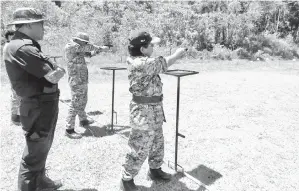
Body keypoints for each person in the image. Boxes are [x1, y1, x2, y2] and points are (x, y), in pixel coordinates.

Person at [4, 7, 66, 191]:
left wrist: (56, 68)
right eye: (41, 23)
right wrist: (57, 68)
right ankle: (31, 186)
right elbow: (54, 74)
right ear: (30, 24)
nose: (43, 27)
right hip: (38, 106)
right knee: (34, 154)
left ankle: (40, 182)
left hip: (40, 104)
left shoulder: (21, 44)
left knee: (41, 149)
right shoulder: (24, 47)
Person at [120, 31, 186, 191]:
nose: (153, 48)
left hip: (153, 109)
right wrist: (178, 54)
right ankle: (126, 178)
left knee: (157, 141)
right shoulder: (141, 63)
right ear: (142, 49)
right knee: (139, 146)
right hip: (143, 112)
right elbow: (164, 62)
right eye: (151, 45)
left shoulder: (142, 60)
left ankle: (155, 169)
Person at [64, 32, 109, 139]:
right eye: (84, 42)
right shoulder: (71, 46)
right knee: (75, 102)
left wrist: (100, 51)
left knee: (83, 99)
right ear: (77, 40)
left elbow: (89, 54)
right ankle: (69, 129)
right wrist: (101, 48)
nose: (85, 44)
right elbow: (88, 48)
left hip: (82, 79)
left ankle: (83, 120)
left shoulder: (79, 48)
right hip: (76, 79)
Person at [3, 29, 22, 125]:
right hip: (14, 74)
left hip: (15, 73)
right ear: (8, 37)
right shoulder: (9, 46)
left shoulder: (10, 46)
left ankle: (17, 116)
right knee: (15, 96)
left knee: (18, 95)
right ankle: (14, 118)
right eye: (12, 36)